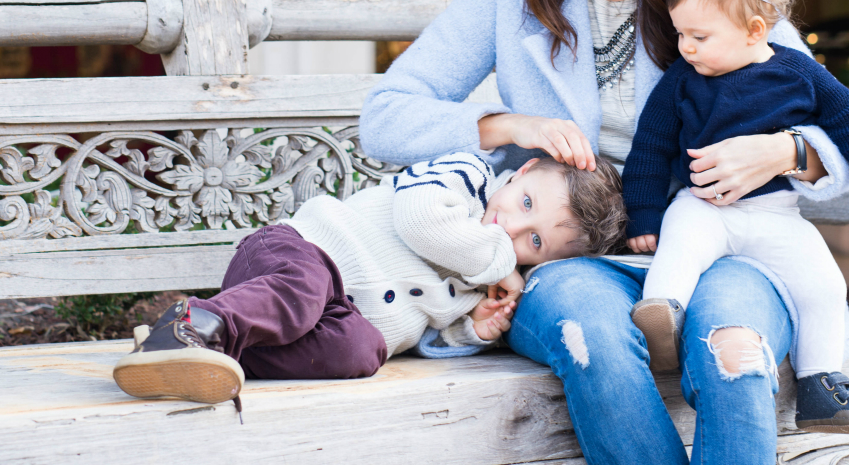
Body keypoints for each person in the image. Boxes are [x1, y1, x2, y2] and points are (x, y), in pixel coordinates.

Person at [360, 0, 849, 464]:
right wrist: (510, 125)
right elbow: (386, 117)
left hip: (724, 243)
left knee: (736, 355)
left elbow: (834, 121)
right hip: (571, 258)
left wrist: (783, 151)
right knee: (589, 337)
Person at [623, 0, 849, 434]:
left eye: (699, 35)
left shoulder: (798, 71)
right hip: (702, 206)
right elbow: (648, 150)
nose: (686, 47)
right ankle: (663, 320)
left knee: (824, 287)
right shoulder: (680, 81)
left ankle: (821, 384)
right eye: (680, 34)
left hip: (777, 214)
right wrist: (645, 215)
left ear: (754, 30)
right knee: (678, 250)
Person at [112, 152, 627, 410]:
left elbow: (423, 334)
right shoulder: (465, 176)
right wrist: (503, 262)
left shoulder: (485, 281)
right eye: (527, 204)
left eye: (533, 241)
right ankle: (197, 321)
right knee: (304, 291)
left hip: (340, 316)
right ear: (522, 170)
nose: (512, 226)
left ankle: (190, 349)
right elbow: (420, 222)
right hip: (297, 253)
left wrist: (472, 330)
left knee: (362, 351)